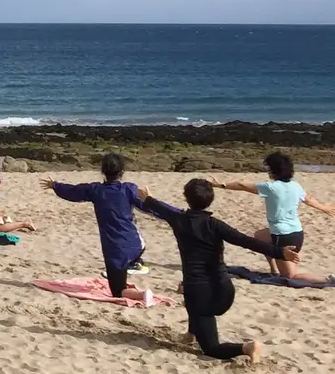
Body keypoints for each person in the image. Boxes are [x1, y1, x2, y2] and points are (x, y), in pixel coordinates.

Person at [137, 178, 299, 362]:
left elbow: (162, 209)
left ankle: (247, 347)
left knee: (211, 347)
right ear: (210, 200)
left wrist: (148, 198)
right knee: (188, 290)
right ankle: (191, 334)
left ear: (186, 198)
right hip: (224, 291)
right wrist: (280, 252)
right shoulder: (215, 224)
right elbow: (246, 241)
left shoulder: (179, 219)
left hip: (201, 296)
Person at [209, 152, 334, 283]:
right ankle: (274, 270)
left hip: (282, 237)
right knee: (260, 236)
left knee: (291, 277)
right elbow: (308, 199)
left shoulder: (270, 187)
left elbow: (242, 185)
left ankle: (328, 279)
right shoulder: (295, 186)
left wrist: (221, 185)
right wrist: (323, 207)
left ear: (274, 171)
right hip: (297, 234)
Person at [42, 154, 149, 298]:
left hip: (114, 251)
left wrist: (55, 185)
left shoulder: (96, 190)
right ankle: (135, 263)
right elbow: (148, 207)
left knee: (118, 292)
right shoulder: (129, 189)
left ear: (102, 171)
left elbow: (74, 192)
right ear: (122, 172)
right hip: (137, 245)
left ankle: (142, 294)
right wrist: (152, 200)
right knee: (130, 255)